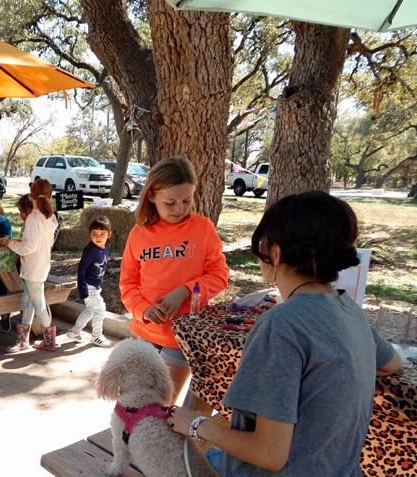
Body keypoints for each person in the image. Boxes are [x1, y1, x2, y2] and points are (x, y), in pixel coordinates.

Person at [169, 191, 404, 476]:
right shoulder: (350, 311)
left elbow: (268, 454)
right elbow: (393, 364)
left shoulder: (281, 326)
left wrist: (195, 424)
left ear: (275, 253)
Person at [119, 157, 228, 403]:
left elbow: (219, 275)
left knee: (161, 405)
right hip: (143, 333)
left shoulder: (203, 228)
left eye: (186, 201)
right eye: (170, 202)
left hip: (181, 337)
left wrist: (186, 290)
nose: (179, 209)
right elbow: (128, 284)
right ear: (151, 197)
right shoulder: (139, 234)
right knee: (136, 401)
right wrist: (144, 309)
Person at [1, 179, 59, 353]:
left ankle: (49, 341)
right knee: (28, 302)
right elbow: (38, 243)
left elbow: (29, 247)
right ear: (50, 196)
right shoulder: (50, 216)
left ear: (31, 194)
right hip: (39, 266)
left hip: (33, 268)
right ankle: (23, 341)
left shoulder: (34, 218)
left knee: (37, 304)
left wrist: (10, 243)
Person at [66, 215, 113, 347]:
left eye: (102, 234)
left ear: (109, 235)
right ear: (90, 234)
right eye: (94, 234)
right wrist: (83, 289)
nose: (98, 237)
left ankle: (75, 332)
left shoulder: (106, 248)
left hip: (95, 286)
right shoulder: (90, 251)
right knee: (100, 309)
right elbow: (81, 270)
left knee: (90, 310)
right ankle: (97, 336)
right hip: (89, 287)